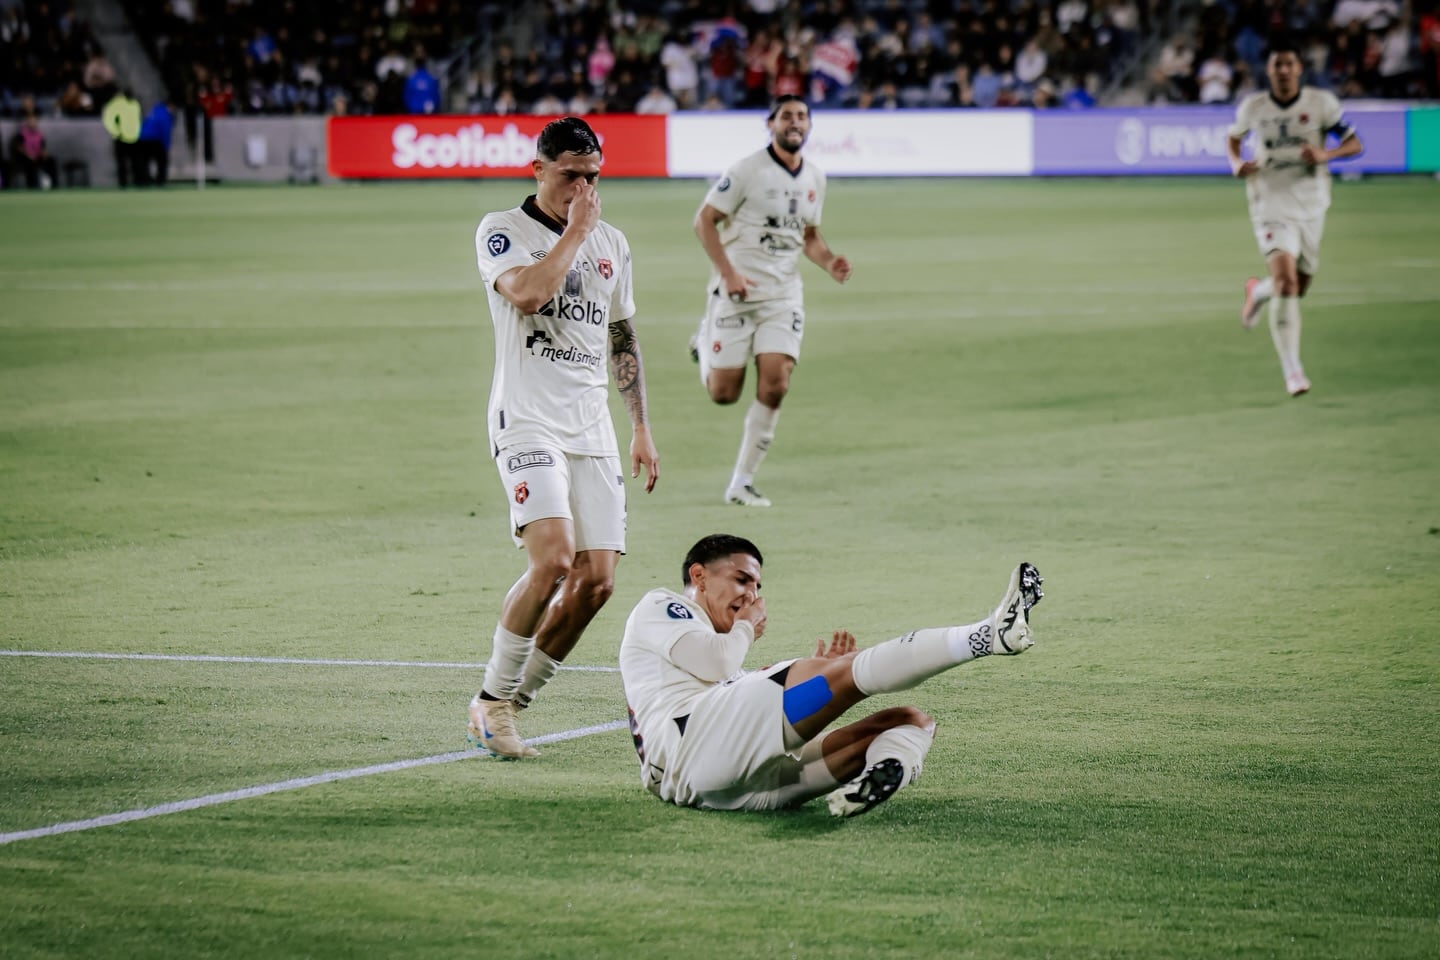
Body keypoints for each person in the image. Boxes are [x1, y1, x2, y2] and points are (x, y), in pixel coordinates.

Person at [467, 116, 661, 759]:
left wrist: (639, 426)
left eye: (593, 177)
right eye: (571, 175)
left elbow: (621, 335)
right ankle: (492, 700)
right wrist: (574, 234)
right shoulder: (503, 231)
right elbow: (526, 295)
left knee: (598, 580)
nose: (583, 187)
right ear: (539, 169)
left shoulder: (615, 243)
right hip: (526, 417)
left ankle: (512, 704)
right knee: (552, 558)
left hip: (592, 423)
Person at [619, 534, 1044, 816]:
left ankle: (879, 775)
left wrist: (818, 671)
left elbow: (723, 679)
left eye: (758, 587)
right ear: (699, 576)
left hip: (728, 788)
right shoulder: (663, 605)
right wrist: (751, 629)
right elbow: (717, 663)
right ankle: (987, 635)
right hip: (693, 745)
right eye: (741, 579)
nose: (752, 595)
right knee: (849, 675)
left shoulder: (702, 668)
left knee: (911, 721)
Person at [689, 95, 852, 508]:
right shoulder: (746, 171)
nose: (794, 122)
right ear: (771, 124)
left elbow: (809, 237)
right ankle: (703, 341)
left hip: (783, 296)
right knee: (723, 394)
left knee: (776, 384)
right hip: (737, 293)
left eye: (801, 116)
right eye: (786, 116)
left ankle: (741, 483)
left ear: (809, 126)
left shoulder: (815, 177)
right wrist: (728, 273)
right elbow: (704, 220)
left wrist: (829, 262)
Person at [1229, 35, 1364, 397]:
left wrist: (1326, 155)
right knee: (1287, 280)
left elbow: (1355, 143)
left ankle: (1258, 292)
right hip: (1268, 201)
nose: (1284, 71)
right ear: (1269, 70)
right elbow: (1233, 138)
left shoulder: (1322, 105)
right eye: (1277, 65)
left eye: (1290, 64)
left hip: (1311, 204)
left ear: (1300, 68)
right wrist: (1236, 162)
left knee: (1296, 287)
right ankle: (1293, 371)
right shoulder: (1254, 107)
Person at [101, 87, 142, 188]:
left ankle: (137, 184)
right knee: (122, 164)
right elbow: (108, 120)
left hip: (134, 138)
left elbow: (138, 119)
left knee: (136, 163)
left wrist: (137, 132)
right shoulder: (116, 104)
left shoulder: (135, 104)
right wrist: (116, 132)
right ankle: (123, 185)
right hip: (121, 138)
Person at [8, 112, 60, 190]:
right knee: (30, 163)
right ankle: (32, 186)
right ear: (27, 122)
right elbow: (18, 147)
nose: (33, 123)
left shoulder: (39, 134)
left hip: (37, 156)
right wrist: (29, 155)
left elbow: (43, 147)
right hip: (25, 158)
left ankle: (54, 185)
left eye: (35, 121)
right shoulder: (21, 134)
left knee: (51, 161)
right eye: (31, 121)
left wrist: (44, 154)